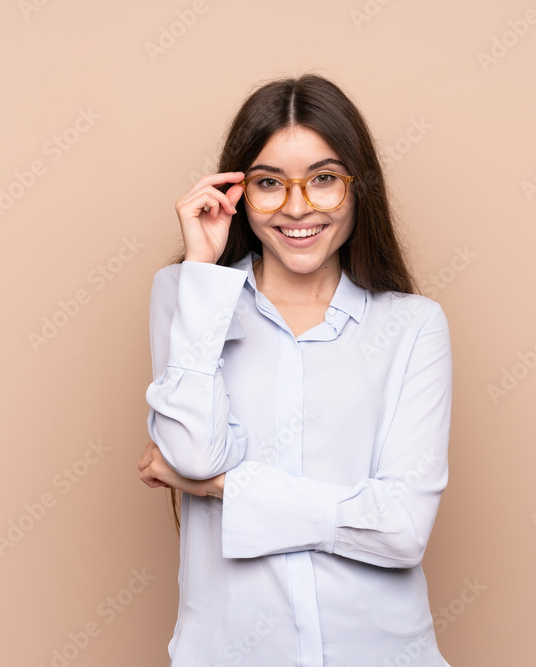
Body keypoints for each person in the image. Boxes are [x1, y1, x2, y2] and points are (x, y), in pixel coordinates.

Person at [138, 73, 453, 666]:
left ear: (360, 188)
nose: (298, 206)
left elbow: (403, 529)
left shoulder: (413, 326)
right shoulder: (187, 293)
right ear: (238, 192)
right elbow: (191, 453)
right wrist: (204, 272)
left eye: (324, 179)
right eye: (268, 184)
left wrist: (221, 489)